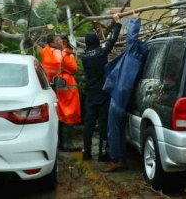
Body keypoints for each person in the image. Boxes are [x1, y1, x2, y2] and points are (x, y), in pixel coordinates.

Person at [102, 12, 147, 172]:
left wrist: (134, 19)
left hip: (119, 98)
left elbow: (131, 38)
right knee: (119, 131)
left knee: (114, 131)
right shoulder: (137, 59)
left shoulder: (133, 57)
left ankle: (117, 160)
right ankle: (120, 159)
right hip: (121, 97)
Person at [79, 13, 122, 161]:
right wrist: (117, 23)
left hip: (90, 95)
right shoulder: (101, 52)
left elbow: (103, 44)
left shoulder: (84, 56)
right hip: (103, 94)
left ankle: (87, 153)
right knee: (103, 125)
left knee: (89, 125)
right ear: (97, 41)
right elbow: (112, 40)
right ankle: (103, 154)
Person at [41, 34, 82, 151]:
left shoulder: (46, 51)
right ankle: (67, 144)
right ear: (52, 43)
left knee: (59, 114)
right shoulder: (61, 54)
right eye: (58, 40)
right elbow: (73, 68)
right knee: (68, 114)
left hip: (56, 86)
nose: (61, 41)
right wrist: (68, 53)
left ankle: (60, 142)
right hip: (66, 88)